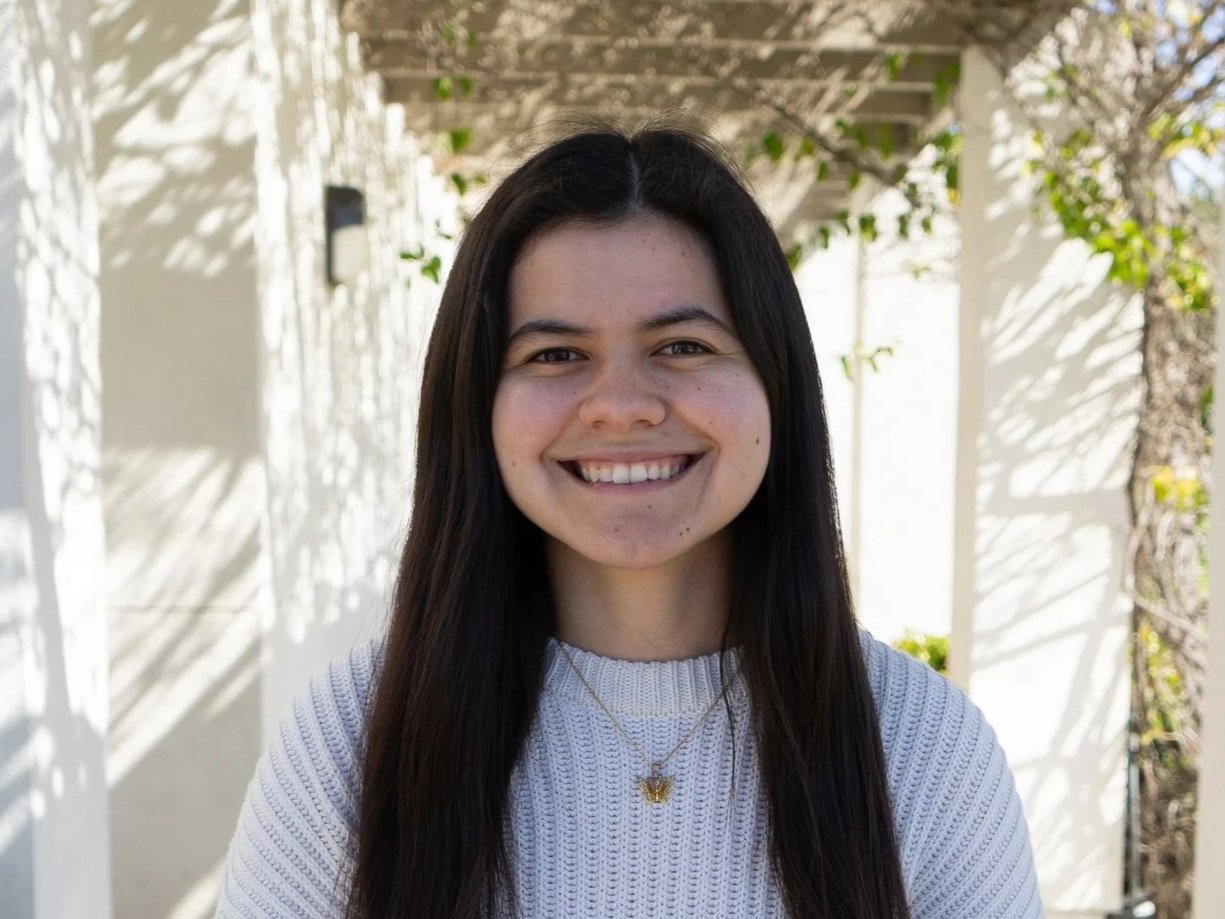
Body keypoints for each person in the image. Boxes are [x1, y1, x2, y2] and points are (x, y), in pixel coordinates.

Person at [215, 123, 1045, 919]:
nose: (619, 405)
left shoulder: (923, 745)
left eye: (681, 345)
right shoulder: (351, 740)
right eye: (554, 354)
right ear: (476, 406)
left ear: (774, 383)